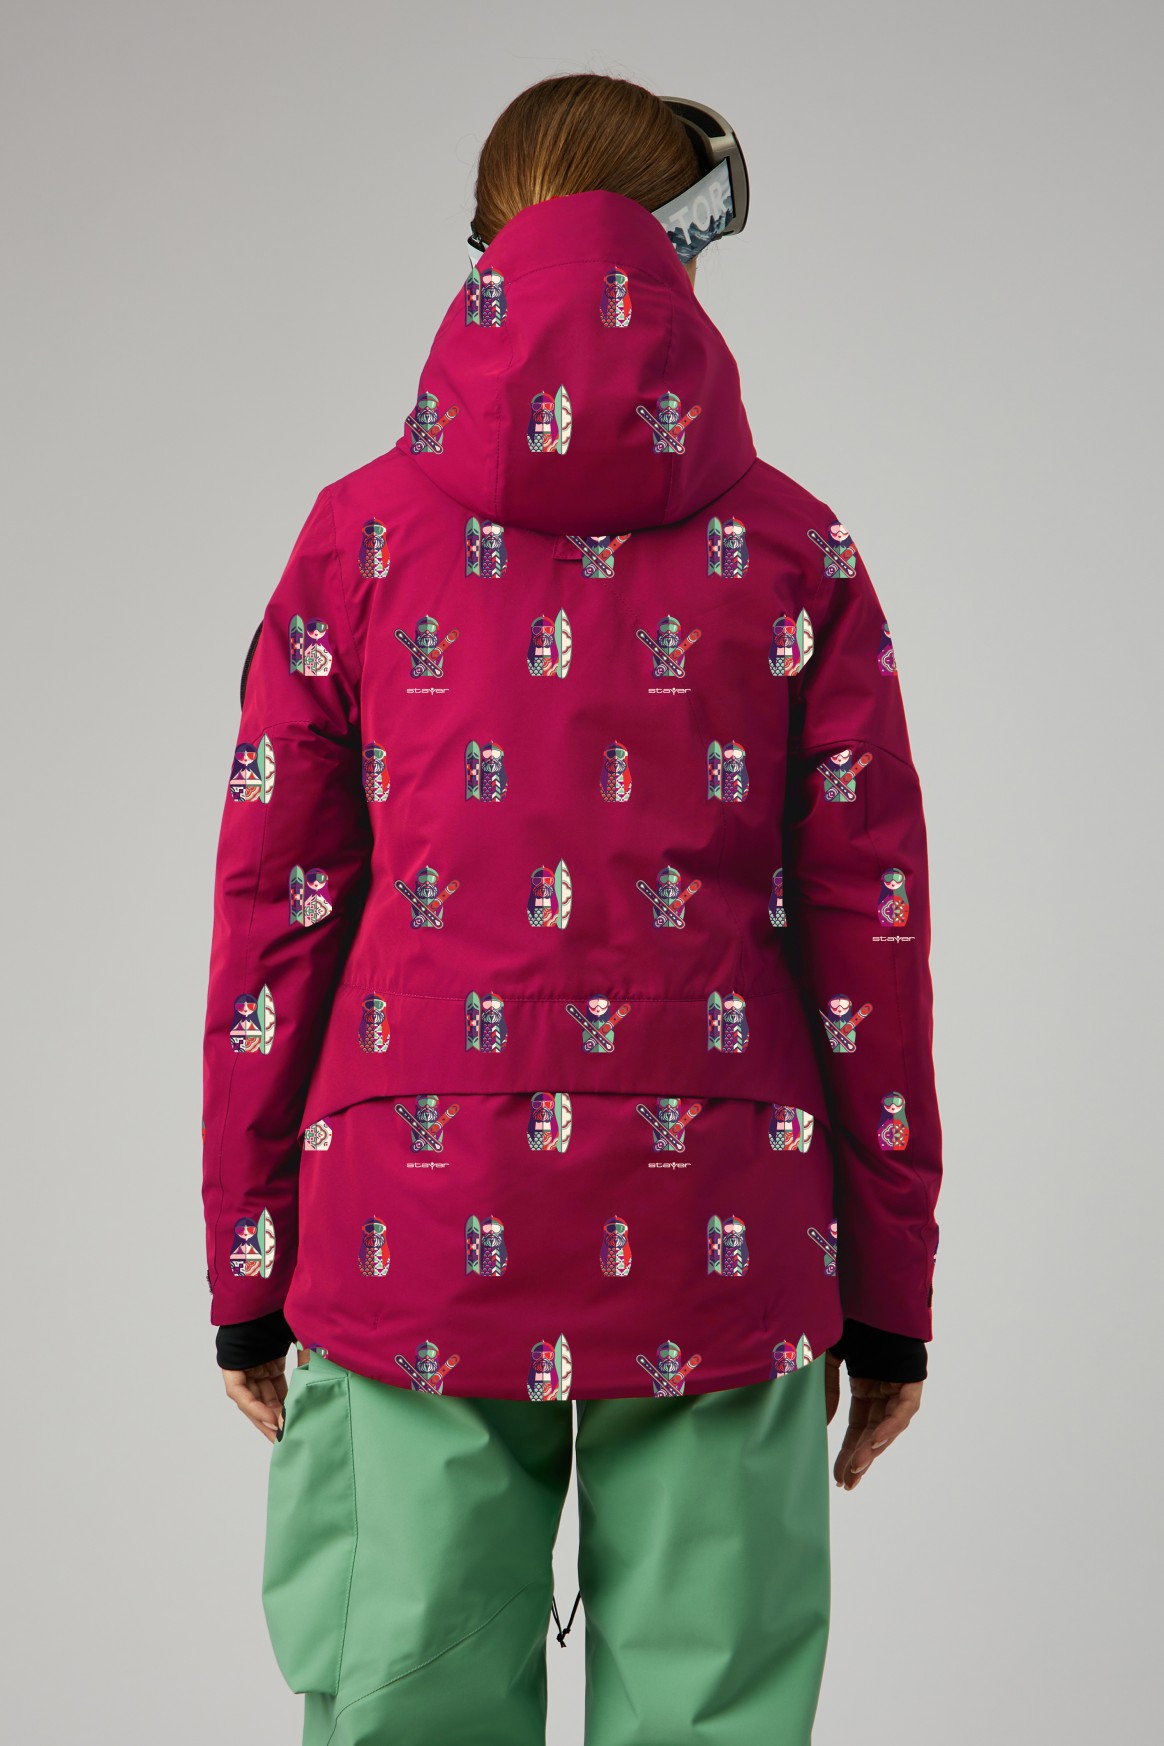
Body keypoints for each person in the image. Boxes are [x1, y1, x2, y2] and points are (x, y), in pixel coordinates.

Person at [201, 73, 942, 1746]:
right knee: (711, 1720)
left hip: (410, 1231)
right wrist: (888, 1289)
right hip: (722, 1232)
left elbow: (274, 919)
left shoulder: (355, 543)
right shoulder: (800, 554)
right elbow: (871, 940)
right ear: (685, 256)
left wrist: (252, 1255)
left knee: (402, 1705)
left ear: (483, 249)